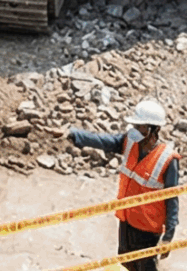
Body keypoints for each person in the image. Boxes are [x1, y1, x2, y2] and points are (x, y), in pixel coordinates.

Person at [66, 98, 179, 271]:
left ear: (153, 129)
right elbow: (103, 141)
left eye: (139, 127)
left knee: (146, 268)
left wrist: (168, 236)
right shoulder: (129, 143)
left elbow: (172, 200)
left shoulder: (167, 160)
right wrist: (73, 134)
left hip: (148, 231)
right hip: (126, 222)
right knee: (127, 264)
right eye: (135, 126)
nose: (135, 130)